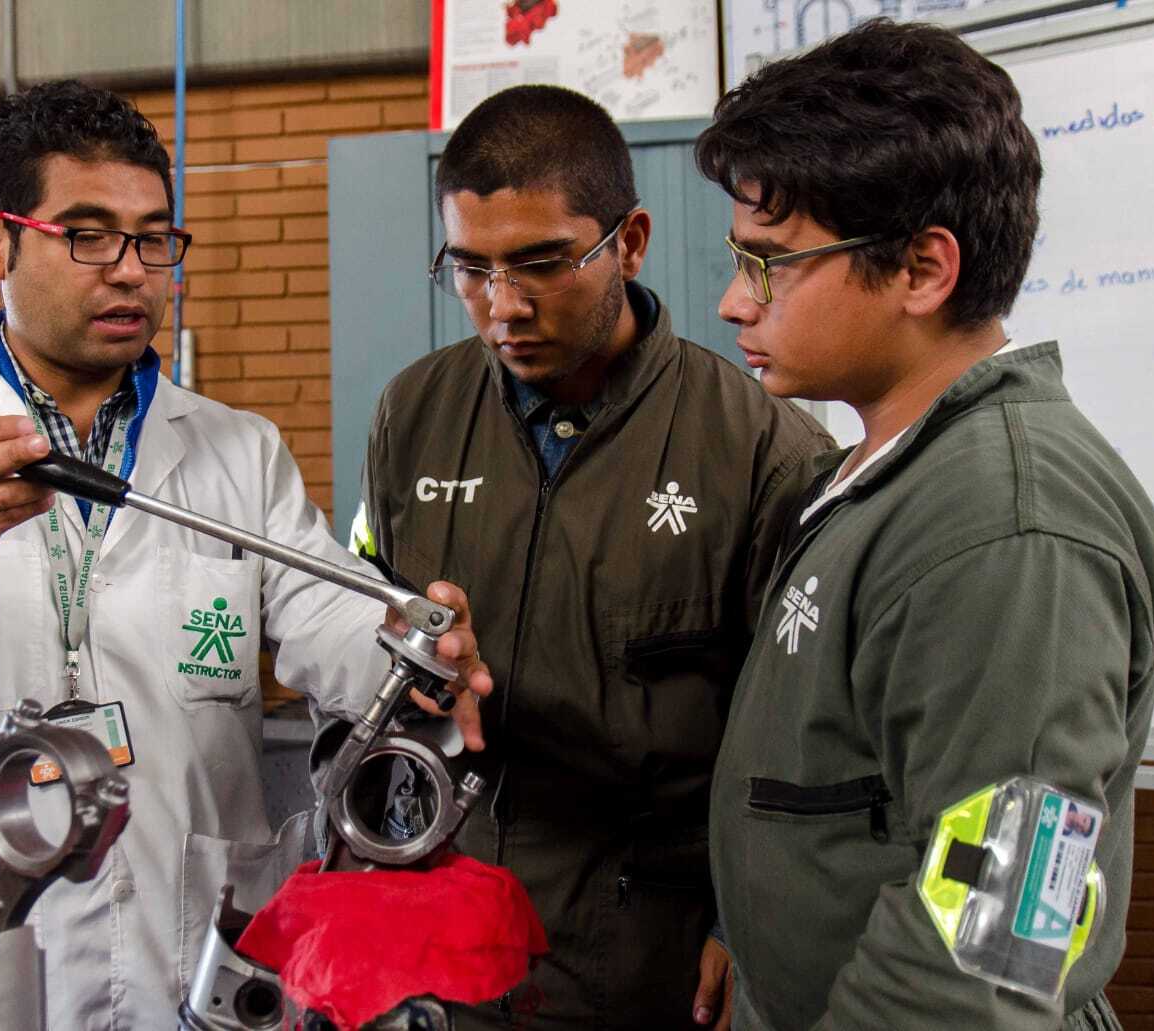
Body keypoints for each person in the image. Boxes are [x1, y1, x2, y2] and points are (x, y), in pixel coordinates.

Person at [0, 80, 489, 1027]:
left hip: (191, 961)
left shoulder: (235, 449)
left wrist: (402, 649)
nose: (131, 269)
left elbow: (324, 612)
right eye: (87, 235)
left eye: (153, 238)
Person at [695, 19, 1154, 1029]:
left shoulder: (1008, 527)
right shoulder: (875, 476)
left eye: (771, 262)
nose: (734, 301)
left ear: (921, 269)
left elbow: (992, 948)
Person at [349, 84, 832, 1030]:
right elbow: (372, 609)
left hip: (645, 946)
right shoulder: (413, 414)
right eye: (471, 268)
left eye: (540, 262)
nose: (503, 305)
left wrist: (739, 926)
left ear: (631, 241)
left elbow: (794, 738)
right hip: (441, 914)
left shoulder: (761, 451)